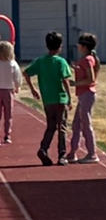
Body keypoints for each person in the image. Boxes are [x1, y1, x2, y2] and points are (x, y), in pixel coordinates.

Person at [24, 31, 73, 166]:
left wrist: (33, 89)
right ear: (60, 46)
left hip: (48, 100)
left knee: (51, 127)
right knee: (62, 127)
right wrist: (69, 97)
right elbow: (65, 80)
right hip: (60, 98)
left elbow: (26, 73)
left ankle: (43, 148)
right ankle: (62, 155)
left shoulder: (40, 61)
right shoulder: (61, 62)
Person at [67, 32, 100, 164]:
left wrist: (75, 83)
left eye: (79, 44)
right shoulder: (85, 60)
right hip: (83, 95)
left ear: (84, 47)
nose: (77, 46)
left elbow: (90, 79)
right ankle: (72, 152)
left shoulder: (87, 60)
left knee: (86, 124)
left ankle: (92, 154)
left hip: (87, 94)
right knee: (76, 124)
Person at [0, 40, 22, 144]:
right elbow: (17, 78)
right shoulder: (13, 64)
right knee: (8, 114)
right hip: (8, 90)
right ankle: (7, 135)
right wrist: (17, 87)